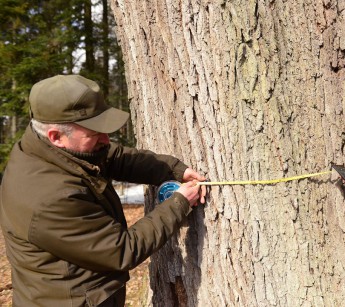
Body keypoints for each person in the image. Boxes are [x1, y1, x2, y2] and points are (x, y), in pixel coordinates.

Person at [0, 74, 207, 306]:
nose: (106, 139)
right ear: (56, 136)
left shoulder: (47, 148)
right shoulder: (50, 198)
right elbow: (122, 250)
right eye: (94, 133)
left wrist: (172, 169)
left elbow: (112, 156)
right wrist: (179, 202)